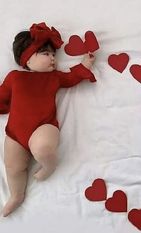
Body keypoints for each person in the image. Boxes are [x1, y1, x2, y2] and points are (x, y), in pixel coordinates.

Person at [0, 22, 96, 217]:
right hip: (15, 133)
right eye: (46, 54)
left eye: (54, 55)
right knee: (12, 166)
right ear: (27, 59)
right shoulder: (15, 77)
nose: (53, 58)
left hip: (44, 126)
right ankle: (16, 196)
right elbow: (2, 96)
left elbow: (72, 78)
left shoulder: (54, 77)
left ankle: (49, 165)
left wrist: (86, 64)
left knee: (43, 147)